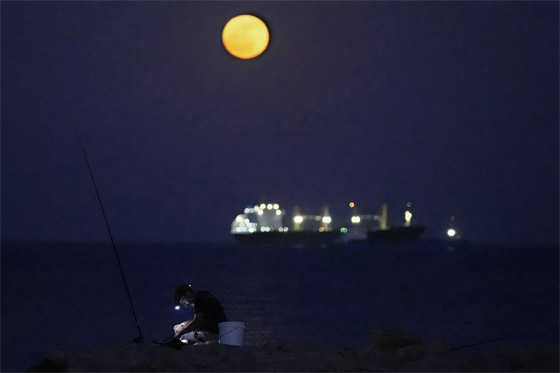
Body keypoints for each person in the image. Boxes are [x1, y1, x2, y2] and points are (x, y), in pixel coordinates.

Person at [154, 284, 227, 349]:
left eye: (184, 301)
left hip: (213, 333)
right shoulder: (204, 296)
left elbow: (197, 321)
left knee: (184, 337)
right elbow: (200, 318)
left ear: (188, 294)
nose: (185, 305)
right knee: (178, 327)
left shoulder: (201, 300)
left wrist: (180, 334)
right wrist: (182, 325)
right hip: (216, 330)